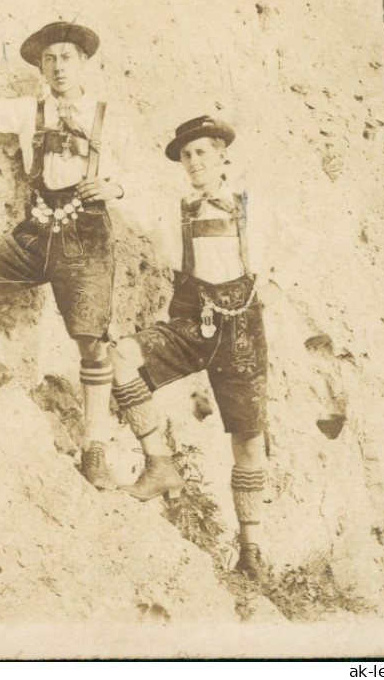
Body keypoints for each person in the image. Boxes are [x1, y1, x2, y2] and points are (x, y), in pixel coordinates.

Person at [0, 21, 134, 490]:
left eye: (66, 58)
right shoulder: (25, 112)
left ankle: (95, 448)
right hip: (35, 234)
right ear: (40, 67)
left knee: (92, 343)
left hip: (87, 239)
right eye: (49, 59)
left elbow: (144, 181)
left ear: (83, 64)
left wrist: (115, 187)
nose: (58, 67)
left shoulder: (107, 114)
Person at [110, 115, 279, 580]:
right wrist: (114, 191)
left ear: (223, 155)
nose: (194, 161)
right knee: (121, 355)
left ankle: (252, 552)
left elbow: (280, 261)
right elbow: (132, 205)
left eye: (203, 151)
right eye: (186, 154)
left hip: (242, 330)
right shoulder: (173, 204)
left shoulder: (255, 203)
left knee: (248, 441)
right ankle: (159, 463)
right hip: (190, 323)